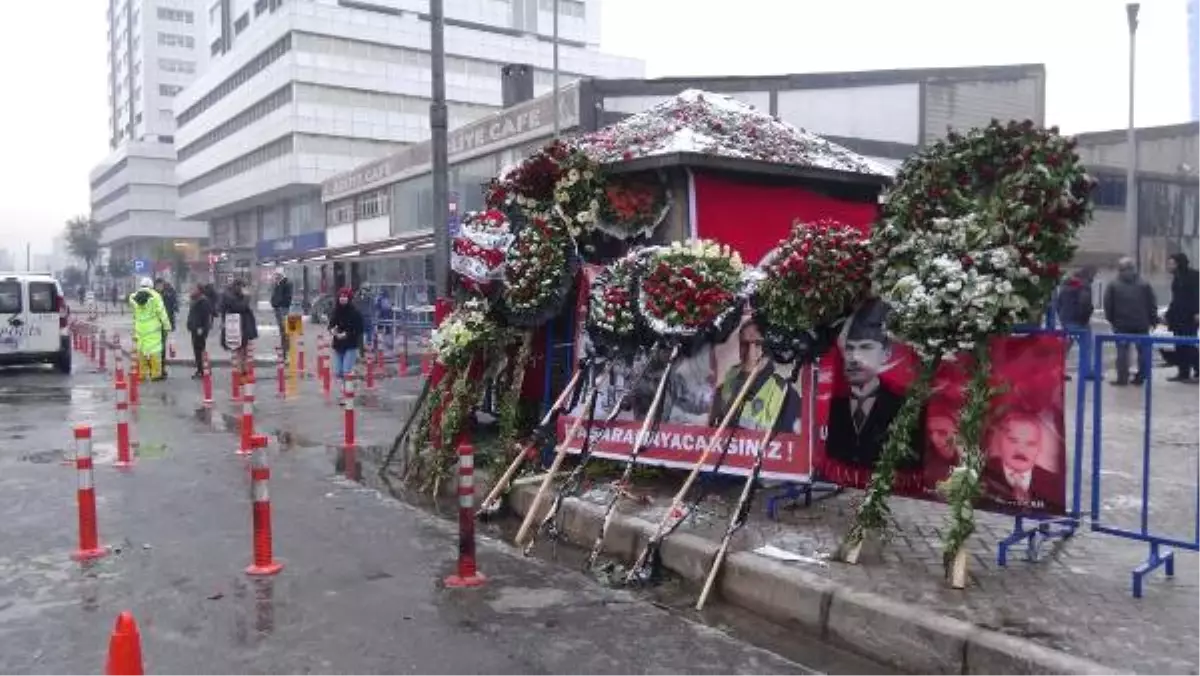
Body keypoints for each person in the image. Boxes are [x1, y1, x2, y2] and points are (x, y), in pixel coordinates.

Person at [825, 299, 924, 470]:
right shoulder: (836, 407)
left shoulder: (903, 409)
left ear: (886, 354)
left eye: (865, 347)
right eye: (850, 348)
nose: (854, 358)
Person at [709, 320, 800, 433]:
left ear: (769, 349)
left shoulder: (785, 393)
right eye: (744, 344)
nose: (750, 352)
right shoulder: (723, 388)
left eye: (758, 344)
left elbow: (791, 445)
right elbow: (709, 432)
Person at [982, 409, 1062, 512]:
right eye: (1013, 440)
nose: (1020, 450)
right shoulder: (980, 473)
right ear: (1000, 442)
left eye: (1030, 444)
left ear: (1039, 448)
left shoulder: (1054, 486)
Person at [1103, 257, 1158, 386]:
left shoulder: (1113, 285)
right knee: (1143, 352)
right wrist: (1153, 319)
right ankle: (1142, 376)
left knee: (1122, 352)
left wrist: (1111, 319)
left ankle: (1122, 378)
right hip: (1141, 323)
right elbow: (1151, 303)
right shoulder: (1144, 284)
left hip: (1121, 324)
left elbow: (1108, 304)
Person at [1055, 266, 1097, 380]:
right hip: (1080, 321)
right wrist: (1085, 317)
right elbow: (1085, 303)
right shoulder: (1084, 285)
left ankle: (1059, 371)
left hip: (1066, 320)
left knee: (1065, 347)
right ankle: (1086, 372)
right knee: (1086, 346)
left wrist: (1062, 317)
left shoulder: (1065, 285)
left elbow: (1058, 303)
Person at [1164, 253, 1200, 382]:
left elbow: (1197, 295)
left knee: (1189, 345)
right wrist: (1168, 314)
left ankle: (1198, 370)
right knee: (1179, 345)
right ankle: (1183, 372)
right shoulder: (1176, 278)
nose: (1168, 266)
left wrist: (1197, 312)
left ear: (1178, 264)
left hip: (1190, 317)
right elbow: (1176, 299)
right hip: (1178, 317)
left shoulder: (1193, 276)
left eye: (1171, 263)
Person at [128, 278, 170, 381]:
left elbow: (135, 312)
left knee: (141, 350)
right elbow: (162, 313)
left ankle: (141, 375)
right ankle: (155, 374)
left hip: (140, 328)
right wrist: (167, 326)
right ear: (151, 285)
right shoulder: (155, 296)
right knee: (154, 351)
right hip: (153, 328)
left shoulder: (133, 296)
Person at [328, 287, 365, 390]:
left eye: (345, 297)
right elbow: (331, 325)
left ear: (349, 298)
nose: (342, 299)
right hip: (338, 345)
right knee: (338, 372)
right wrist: (333, 331)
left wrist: (347, 334)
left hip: (350, 345)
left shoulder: (355, 313)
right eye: (341, 297)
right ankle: (349, 386)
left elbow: (359, 329)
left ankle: (347, 393)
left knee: (346, 371)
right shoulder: (336, 311)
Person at [220, 278, 258, 374]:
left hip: (242, 324)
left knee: (243, 346)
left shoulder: (235, 294)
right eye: (243, 287)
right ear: (238, 286)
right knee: (238, 346)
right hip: (236, 324)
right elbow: (240, 307)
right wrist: (246, 297)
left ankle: (243, 367)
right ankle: (239, 368)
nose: (244, 289)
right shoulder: (229, 295)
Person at [185, 283, 214, 379]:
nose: (192, 290)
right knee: (198, 349)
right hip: (195, 328)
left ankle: (202, 370)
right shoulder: (195, 299)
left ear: (199, 290)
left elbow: (206, 317)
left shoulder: (203, 301)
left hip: (199, 329)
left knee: (199, 350)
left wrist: (202, 328)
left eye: (194, 289)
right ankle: (203, 369)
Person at [270, 270, 294, 357]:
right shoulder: (281, 283)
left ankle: (286, 351)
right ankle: (285, 350)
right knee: (283, 330)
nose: (275, 278)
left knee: (285, 330)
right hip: (281, 308)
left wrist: (276, 303)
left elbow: (280, 297)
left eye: (276, 276)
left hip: (282, 309)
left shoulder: (285, 283)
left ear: (280, 275)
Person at [354, 283, 376, 353]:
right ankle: (361, 348)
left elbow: (372, 306)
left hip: (367, 317)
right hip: (359, 317)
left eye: (367, 289)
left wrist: (372, 315)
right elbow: (354, 306)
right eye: (364, 289)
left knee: (369, 331)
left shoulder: (370, 297)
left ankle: (368, 345)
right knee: (360, 333)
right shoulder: (356, 297)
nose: (365, 291)